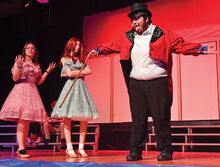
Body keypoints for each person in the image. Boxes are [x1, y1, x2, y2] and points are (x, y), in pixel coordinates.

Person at [91, 2, 215, 161]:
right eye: (132, 19)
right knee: (138, 120)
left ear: (146, 18)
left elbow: (181, 45)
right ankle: (135, 150)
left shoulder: (163, 33)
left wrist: (201, 49)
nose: (133, 22)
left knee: (161, 118)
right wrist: (98, 50)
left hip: (158, 82)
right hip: (136, 84)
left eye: (137, 18)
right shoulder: (127, 37)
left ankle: (166, 150)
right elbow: (111, 46)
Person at [0, 42, 56, 158]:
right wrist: (19, 66)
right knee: (23, 120)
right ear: (24, 50)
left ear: (35, 51)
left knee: (27, 121)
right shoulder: (20, 62)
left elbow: (39, 82)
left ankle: (22, 147)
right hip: (21, 91)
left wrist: (47, 71)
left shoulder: (37, 65)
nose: (31, 50)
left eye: (33, 48)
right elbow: (15, 78)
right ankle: (21, 148)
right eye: (28, 48)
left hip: (32, 91)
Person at [51, 38, 99, 158]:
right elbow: (69, 74)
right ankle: (69, 147)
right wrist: (80, 72)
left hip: (81, 88)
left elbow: (89, 71)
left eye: (79, 45)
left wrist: (76, 72)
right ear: (70, 45)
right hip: (70, 87)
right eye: (76, 44)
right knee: (67, 117)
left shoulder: (82, 59)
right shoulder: (64, 59)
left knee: (84, 118)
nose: (78, 47)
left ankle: (81, 148)